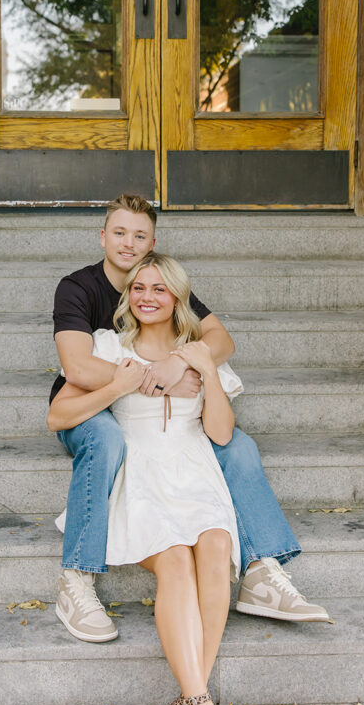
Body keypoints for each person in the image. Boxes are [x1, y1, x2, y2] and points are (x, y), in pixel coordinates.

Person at [50, 193, 329, 645]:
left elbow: (220, 339)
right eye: (119, 233)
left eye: (139, 235)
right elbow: (79, 368)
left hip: (159, 405)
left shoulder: (157, 281)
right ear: (103, 236)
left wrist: (184, 363)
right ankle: (77, 577)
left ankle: (259, 567)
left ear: (152, 243)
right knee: (107, 441)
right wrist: (152, 381)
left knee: (236, 444)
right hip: (95, 401)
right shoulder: (78, 288)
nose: (128, 243)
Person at [47, 253, 265, 705]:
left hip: (193, 470)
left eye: (159, 289)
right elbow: (57, 415)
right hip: (141, 473)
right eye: (139, 287)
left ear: (177, 298)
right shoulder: (108, 348)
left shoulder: (197, 353)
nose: (147, 296)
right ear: (128, 296)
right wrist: (118, 386)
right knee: (172, 559)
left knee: (215, 547)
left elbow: (220, 434)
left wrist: (205, 367)